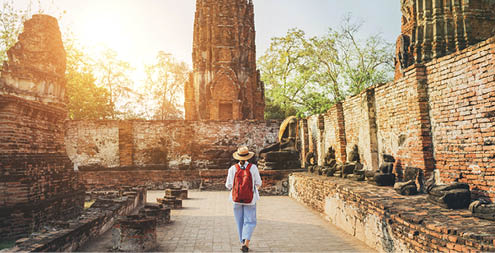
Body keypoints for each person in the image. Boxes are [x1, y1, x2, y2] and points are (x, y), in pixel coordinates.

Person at [225, 146, 262, 252]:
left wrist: (238, 189)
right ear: (247, 157)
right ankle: (246, 243)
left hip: (235, 199)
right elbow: (259, 183)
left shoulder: (232, 169)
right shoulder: (253, 168)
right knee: (250, 221)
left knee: (239, 221)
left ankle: (242, 241)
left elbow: (228, 185)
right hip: (250, 199)